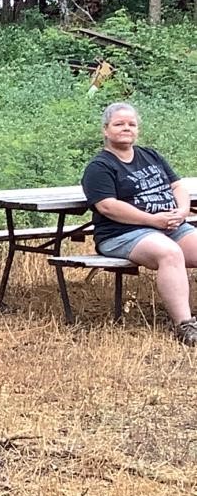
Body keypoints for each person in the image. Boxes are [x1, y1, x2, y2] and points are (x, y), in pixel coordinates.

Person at [81, 101, 197, 344]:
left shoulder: (151, 155)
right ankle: (185, 326)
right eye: (119, 124)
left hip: (169, 226)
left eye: (131, 124)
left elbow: (177, 186)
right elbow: (107, 206)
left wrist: (183, 211)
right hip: (122, 233)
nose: (126, 128)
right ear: (105, 130)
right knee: (169, 253)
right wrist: (152, 220)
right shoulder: (99, 167)